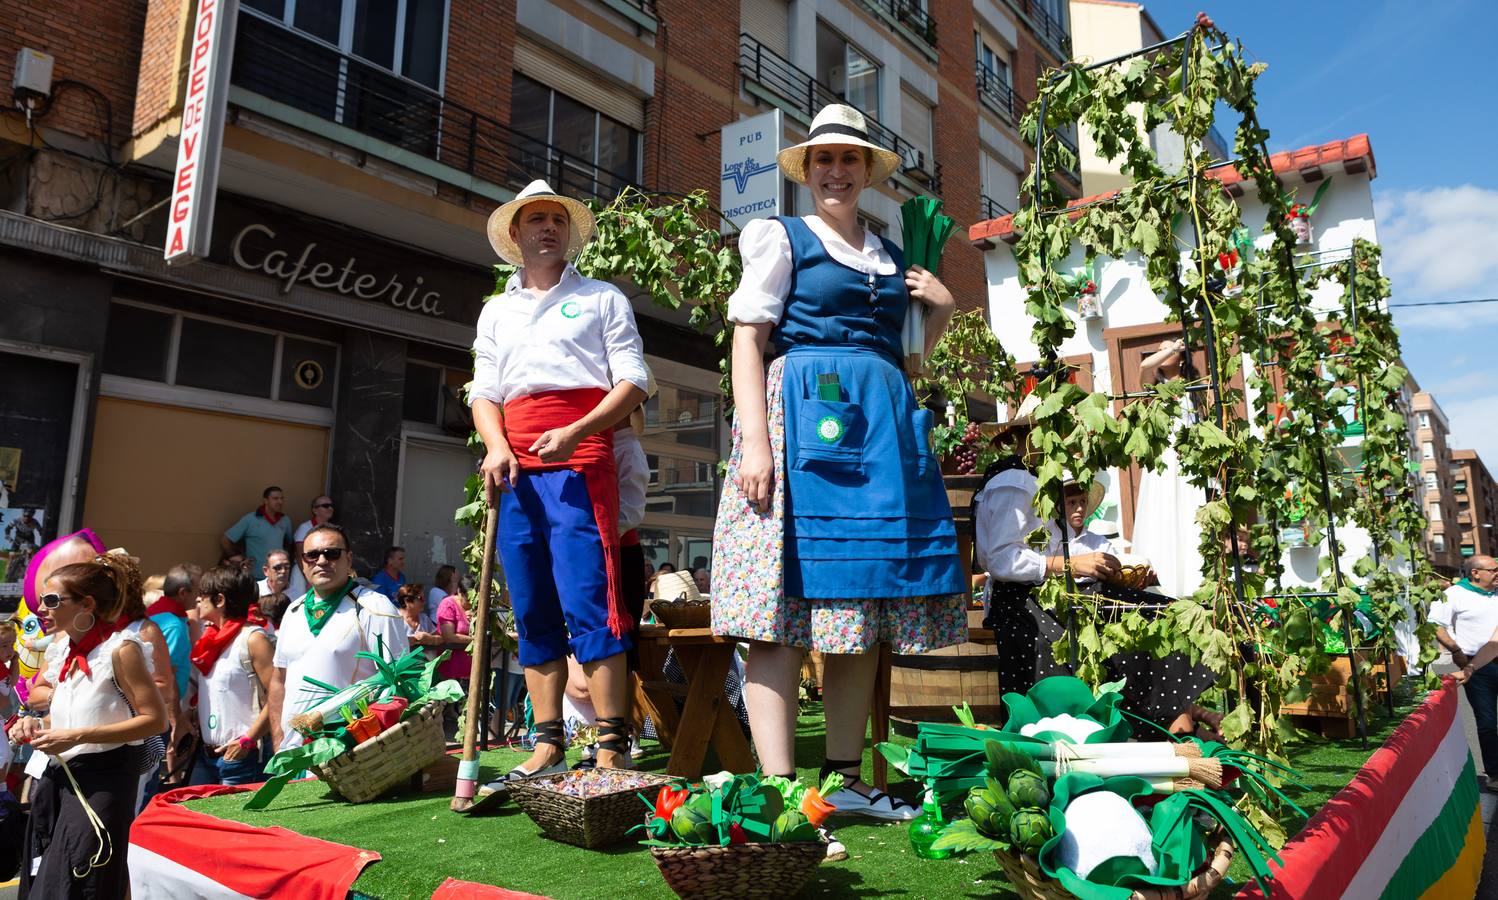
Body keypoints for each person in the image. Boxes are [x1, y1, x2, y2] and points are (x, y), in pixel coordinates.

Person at [711, 104, 964, 822]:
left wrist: (940, 310)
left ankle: (848, 782)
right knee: (780, 614)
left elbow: (909, 358)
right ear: (807, 169)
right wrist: (754, 441)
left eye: (849, 160)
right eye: (824, 159)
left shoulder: (889, 254)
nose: (835, 170)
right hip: (799, 425)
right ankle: (785, 792)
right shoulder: (781, 238)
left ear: (865, 173)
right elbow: (746, 341)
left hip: (881, 433)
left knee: (860, 611)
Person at [468, 178, 649, 788]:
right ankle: (546, 742)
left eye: (556, 219)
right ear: (515, 234)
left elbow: (633, 381)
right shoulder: (496, 309)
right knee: (530, 602)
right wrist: (495, 446)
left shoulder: (602, 297)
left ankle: (611, 744)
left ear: (568, 232)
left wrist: (577, 430)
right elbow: (484, 391)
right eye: (535, 219)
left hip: (582, 462)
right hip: (515, 466)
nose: (548, 227)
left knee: (589, 598)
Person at [974, 403, 1218, 736]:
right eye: (1058, 432)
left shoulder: (1033, 478)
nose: (1065, 442)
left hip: (1047, 598)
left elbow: (1047, 551)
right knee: (1147, 618)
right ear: (1034, 433)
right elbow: (1000, 559)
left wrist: (1098, 570)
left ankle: (1171, 724)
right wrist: (1072, 564)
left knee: (1152, 609)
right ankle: (1165, 726)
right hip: (1026, 610)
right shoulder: (1014, 481)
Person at [10, 552, 167, 899]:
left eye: (52, 601)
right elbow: (66, 715)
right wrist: (33, 726)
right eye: (42, 600)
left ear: (87, 604)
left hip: (103, 783)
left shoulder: (120, 649)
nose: (41, 610)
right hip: (61, 781)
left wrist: (76, 735)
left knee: (81, 884)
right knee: (48, 882)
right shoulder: (64, 647)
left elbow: (156, 719)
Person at [267, 524, 409, 751]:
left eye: (331, 553)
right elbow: (278, 680)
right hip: (292, 756)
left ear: (349, 559)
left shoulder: (374, 607)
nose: (321, 561)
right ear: (303, 563)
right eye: (312, 555)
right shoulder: (293, 611)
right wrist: (277, 740)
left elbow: (400, 686)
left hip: (348, 757)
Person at [1129, 339, 1206, 597]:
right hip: (1164, 459)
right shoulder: (1155, 385)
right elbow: (1144, 365)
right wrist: (1172, 348)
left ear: (1183, 358)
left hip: (1187, 460)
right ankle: (1163, 583)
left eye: (1170, 348)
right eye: (1161, 348)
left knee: (1189, 513)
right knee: (1161, 512)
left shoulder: (1193, 389)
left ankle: (1194, 581)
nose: (1163, 351)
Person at [190, 564, 275, 786]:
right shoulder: (208, 640)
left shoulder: (253, 639)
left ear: (220, 600)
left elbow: (278, 695)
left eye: (202, 595)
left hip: (242, 758)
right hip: (206, 755)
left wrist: (247, 740)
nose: (197, 600)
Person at [1438, 555, 1498, 787]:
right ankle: (1494, 773)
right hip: (1476, 666)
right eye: (1493, 570)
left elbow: (1494, 641)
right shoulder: (1455, 594)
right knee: (1487, 722)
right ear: (1475, 573)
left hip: (1479, 662)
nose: (1497, 573)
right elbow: (1435, 624)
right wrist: (1456, 650)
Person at [434, 587, 475, 739]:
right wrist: (476, 639)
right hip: (449, 666)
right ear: (460, 592)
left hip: (468, 667)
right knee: (443, 703)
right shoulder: (448, 604)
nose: (470, 602)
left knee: (459, 707)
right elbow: (449, 636)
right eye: (468, 598)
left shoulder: (475, 604)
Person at [222, 486, 294, 575]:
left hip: (277, 576)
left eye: (281, 498)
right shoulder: (251, 519)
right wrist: (238, 559)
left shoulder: (285, 520)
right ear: (266, 501)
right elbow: (225, 540)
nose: (280, 502)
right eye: (275, 498)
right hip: (254, 576)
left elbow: (290, 544)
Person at [289, 496, 335, 598]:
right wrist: (308, 577)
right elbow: (299, 555)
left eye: (331, 506)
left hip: (322, 570)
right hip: (303, 573)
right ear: (315, 510)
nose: (330, 508)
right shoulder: (304, 527)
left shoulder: (332, 529)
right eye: (325, 506)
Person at [257, 549, 294, 629]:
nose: (283, 571)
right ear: (266, 571)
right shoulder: (255, 591)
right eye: (278, 567)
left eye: (287, 567)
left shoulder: (298, 595)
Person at [398, 584, 439, 657]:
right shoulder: (395, 619)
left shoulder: (424, 618)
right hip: (405, 666)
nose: (424, 602)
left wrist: (430, 639)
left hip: (426, 666)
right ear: (407, 601)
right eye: (421, 598)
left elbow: (441, 639)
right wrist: (405, 641)